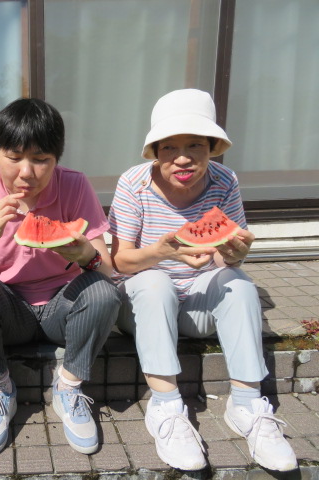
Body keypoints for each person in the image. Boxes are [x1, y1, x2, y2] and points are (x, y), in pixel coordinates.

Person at [108, 89, 297, 472]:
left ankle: (247, 405)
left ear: (212, 147)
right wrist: (161, 253)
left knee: (239, 282)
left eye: (195, 144)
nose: (182, 157)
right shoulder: (134, 184)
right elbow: (119, 261)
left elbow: (230, 246)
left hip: (196, 307)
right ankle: (166, 409)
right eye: (169, 147)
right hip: (142, 310)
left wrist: (235, 254)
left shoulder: (225, 181)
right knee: (153, 282)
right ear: (155, 151)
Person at [0, 98, 121, 456]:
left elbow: (107, 269)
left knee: (103, 292)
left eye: (41, 159)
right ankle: (1, 389)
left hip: (63, 308)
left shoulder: (74, 185)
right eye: (14, 157)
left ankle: (69, 388)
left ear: (57, 158)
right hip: (8, 311)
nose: (27, 172)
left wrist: (85, 256)